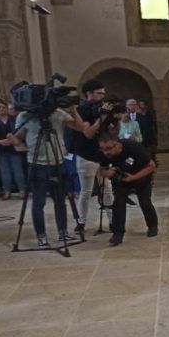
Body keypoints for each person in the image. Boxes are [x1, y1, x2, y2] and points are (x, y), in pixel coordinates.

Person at [14, 105, 90, 247]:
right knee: (39, 203)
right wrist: (16, 141)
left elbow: (81, 128)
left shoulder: (57, 113)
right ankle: (41, 236)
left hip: (58, 162)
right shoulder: (26, 116)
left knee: (60, 200)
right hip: (37, 163)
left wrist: (73, 110)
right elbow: (18, 137)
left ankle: (63, 232)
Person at [66, 79, 115, 233]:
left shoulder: (103, 108)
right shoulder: (82, 109)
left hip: (103, 154)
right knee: (86, 191)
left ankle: (113, 220)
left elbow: (111, 131)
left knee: (107, 189)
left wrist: (113, 119)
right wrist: (101, 119)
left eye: (103, 93)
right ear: (89, 94)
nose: (102, 96)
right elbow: (88, 133)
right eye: (99, 93)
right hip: (86, 154)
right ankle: (81, 222)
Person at [97, 135, 158, 246]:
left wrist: (133, 177)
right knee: (119, 203)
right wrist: (107, 173)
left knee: (145, 201)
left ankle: (153, 226)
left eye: (109, 148)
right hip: (122, 179)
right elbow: (102, 170)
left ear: (117, 144)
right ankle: (118, 234)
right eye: (103, 149)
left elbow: (151, 166)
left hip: (141, 175)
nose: (106, 152)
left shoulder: (133, 147)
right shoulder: (104, 154)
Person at [0, 100, 25, 200]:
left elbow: (20, 131)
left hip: (14, 148)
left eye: (3, 107)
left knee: (18, 171)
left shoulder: (13, 119)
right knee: (5, 172)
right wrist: (0, 141)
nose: (2, 109)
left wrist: (12, 139)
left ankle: (22, 190)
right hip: (0, 149)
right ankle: (7, 192)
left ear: (7, 109)